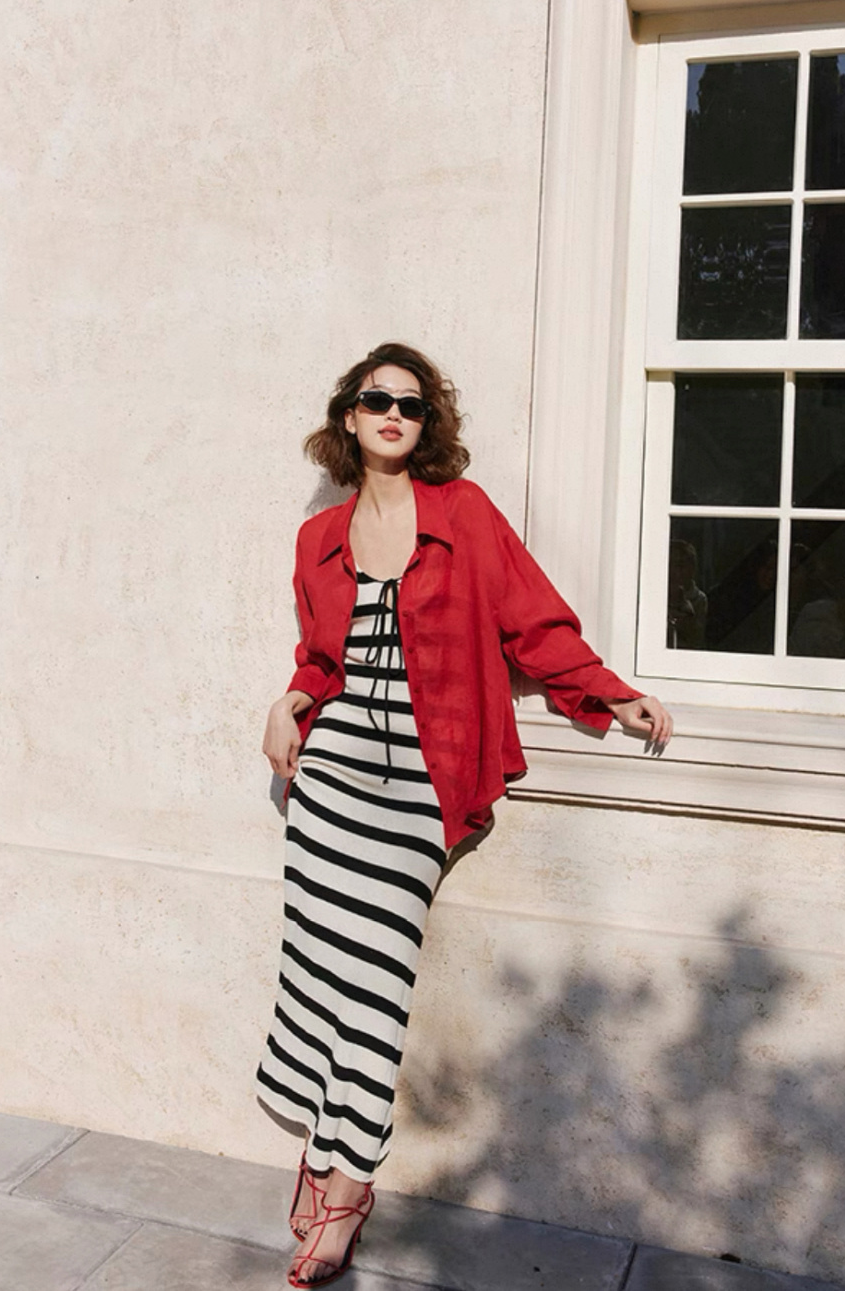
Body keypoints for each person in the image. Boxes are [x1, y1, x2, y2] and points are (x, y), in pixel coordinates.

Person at [259, 342, 672, 1288]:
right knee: (320, 967)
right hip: (332, 775)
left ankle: (349, 1183)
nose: (393, 414)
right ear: (350, 416)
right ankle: (322, 1145)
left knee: (376, 979)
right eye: (376, 399)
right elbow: (322, 656)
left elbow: (533, 620)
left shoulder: (464, 513)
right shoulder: (318, 538)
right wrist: (289, 700)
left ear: (425, 423)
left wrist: (608, 692)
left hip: (421, 776)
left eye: (410, 404)